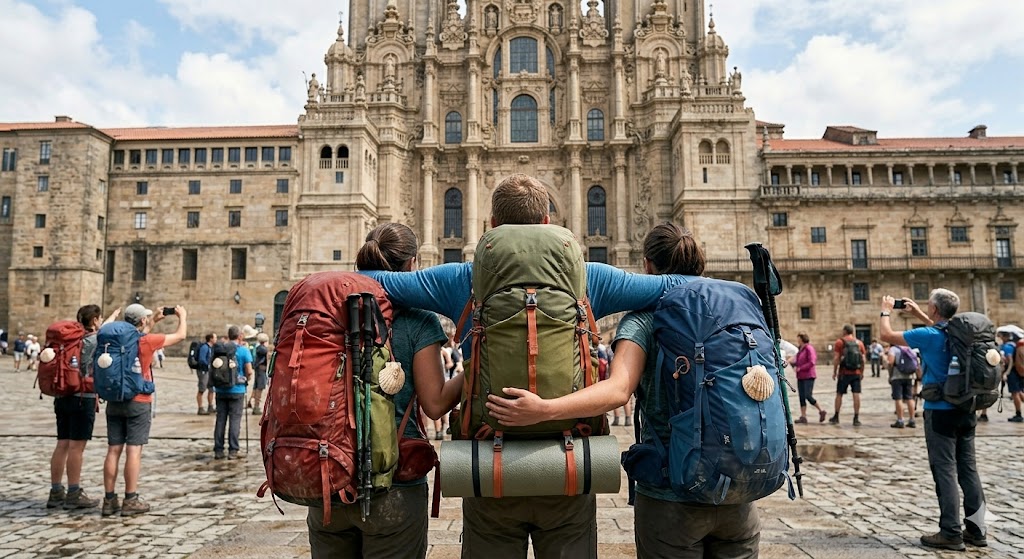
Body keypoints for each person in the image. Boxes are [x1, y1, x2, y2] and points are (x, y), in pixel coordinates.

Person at [362, 174, 685, 559]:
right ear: (547, 221)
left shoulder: (464, 277)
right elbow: (674, 287)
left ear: (493, 225)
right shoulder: (588, 276)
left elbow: (374, 282)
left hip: (489, 462)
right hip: (568, 461)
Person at [488, 223, 762, 557]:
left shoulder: (645, 319)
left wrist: (544, 409)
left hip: (671, 496)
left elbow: (618, 391)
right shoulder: (737, 310)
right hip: (739, 491)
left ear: (647, 265)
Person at [306, 222, 464, 558]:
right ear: (412, 263)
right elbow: (436, 404)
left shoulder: (329, 311)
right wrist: (476, 365)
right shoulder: (419, 319)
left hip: (328, 477)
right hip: (395, 483)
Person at [880, 292, 987, 550]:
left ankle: (950, 532)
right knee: (969, 470)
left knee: (945, 470)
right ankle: (977, 530)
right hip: (966, 408)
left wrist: (885, 310)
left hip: (940, 412)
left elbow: (886, 335)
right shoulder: (959, 334)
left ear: (935, 309)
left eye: (929, 305)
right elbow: (939, 328)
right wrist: (918, 313)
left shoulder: (928, 336)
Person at [102, 303, 187, 517]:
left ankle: (109, 500)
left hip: (115, 399)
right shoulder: (147, 341)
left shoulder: (116, 340)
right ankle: (130, 499)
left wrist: (152, 321)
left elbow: (132, 337)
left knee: (113, 449)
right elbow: (180, 335)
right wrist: (182, 316)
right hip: (139, 401)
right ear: (142, 320)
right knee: (133, 450)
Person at [47, 305, 119, 510]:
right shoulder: (93, 340)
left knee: (62, 443)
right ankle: (74, 492)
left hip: (62, 394)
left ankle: (55, 491)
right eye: (100, 318)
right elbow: (102, 333)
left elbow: (100, 329)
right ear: (95, 320)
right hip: (82, 397)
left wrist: (111, 316)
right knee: (76, 447)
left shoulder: (71, 340)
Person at [213, 326, 252, 460]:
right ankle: (233, 450)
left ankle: (218, 450)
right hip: (237, 390)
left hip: (220, 389)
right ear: (239, 336)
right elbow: (249, 371)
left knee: (220, 420)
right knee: (235, 420)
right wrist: (246, 379)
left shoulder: (220, 349)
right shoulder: (243, 350)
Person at [829, 325, 865, 426]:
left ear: (844, 331)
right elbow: (863, 359)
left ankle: (836, 416)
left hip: (844, 372)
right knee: (856, 394)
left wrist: (835, 371)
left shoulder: (840, 342)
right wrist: (862, 372)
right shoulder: (859, 343)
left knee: (839, 394)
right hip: (856, 372)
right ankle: (856, 418)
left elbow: (836, 358)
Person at [792, 333, 826, 423]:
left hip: (808, 376)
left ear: (802, 339)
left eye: (798, 338)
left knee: (808, 395)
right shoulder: (800, 349)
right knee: (801, 396)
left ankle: (821, 411)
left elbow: (812, 362)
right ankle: (803, 416)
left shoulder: (809, 348)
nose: (797, 340)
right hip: (800, 376)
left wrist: (800, 368)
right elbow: (798, 360)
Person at [886, 344, 918, 428]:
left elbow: (890, 362)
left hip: (897, 376)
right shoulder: (910, 349)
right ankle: (912, 420)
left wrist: (890, 375)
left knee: (898, 398)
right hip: (909, 376)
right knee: (909, 398)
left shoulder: (893, 349)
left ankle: (900, 420)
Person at [1000, 330, 1023, 422]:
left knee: (1015, 393)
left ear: (1004, 337)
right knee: (1019, 392)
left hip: (1013, 373)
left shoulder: (1007, 347)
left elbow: (1010, 360)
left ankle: (1018, 414)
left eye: (1001, 336)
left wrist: (1006, 373)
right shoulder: (1013, 345)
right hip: (1018, 371)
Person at [249, 332, 270, 415]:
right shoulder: (262, 349)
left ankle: (252, 402)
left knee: (256, 387)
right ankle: (256, 406)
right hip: (261, 370)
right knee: (259, 388)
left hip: (259, 370)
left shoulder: (258, 348)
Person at [196, 333, 217, 415]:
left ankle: (210, 406)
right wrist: (208, 365)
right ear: (211, 339)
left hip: (210, 371)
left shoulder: (212, 348)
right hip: (203, 370)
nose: (216, 339)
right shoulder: (204, 347)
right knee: (202, 389)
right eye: (215, 338)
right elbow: (201, 359)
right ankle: (200, 408)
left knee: (211, 389)